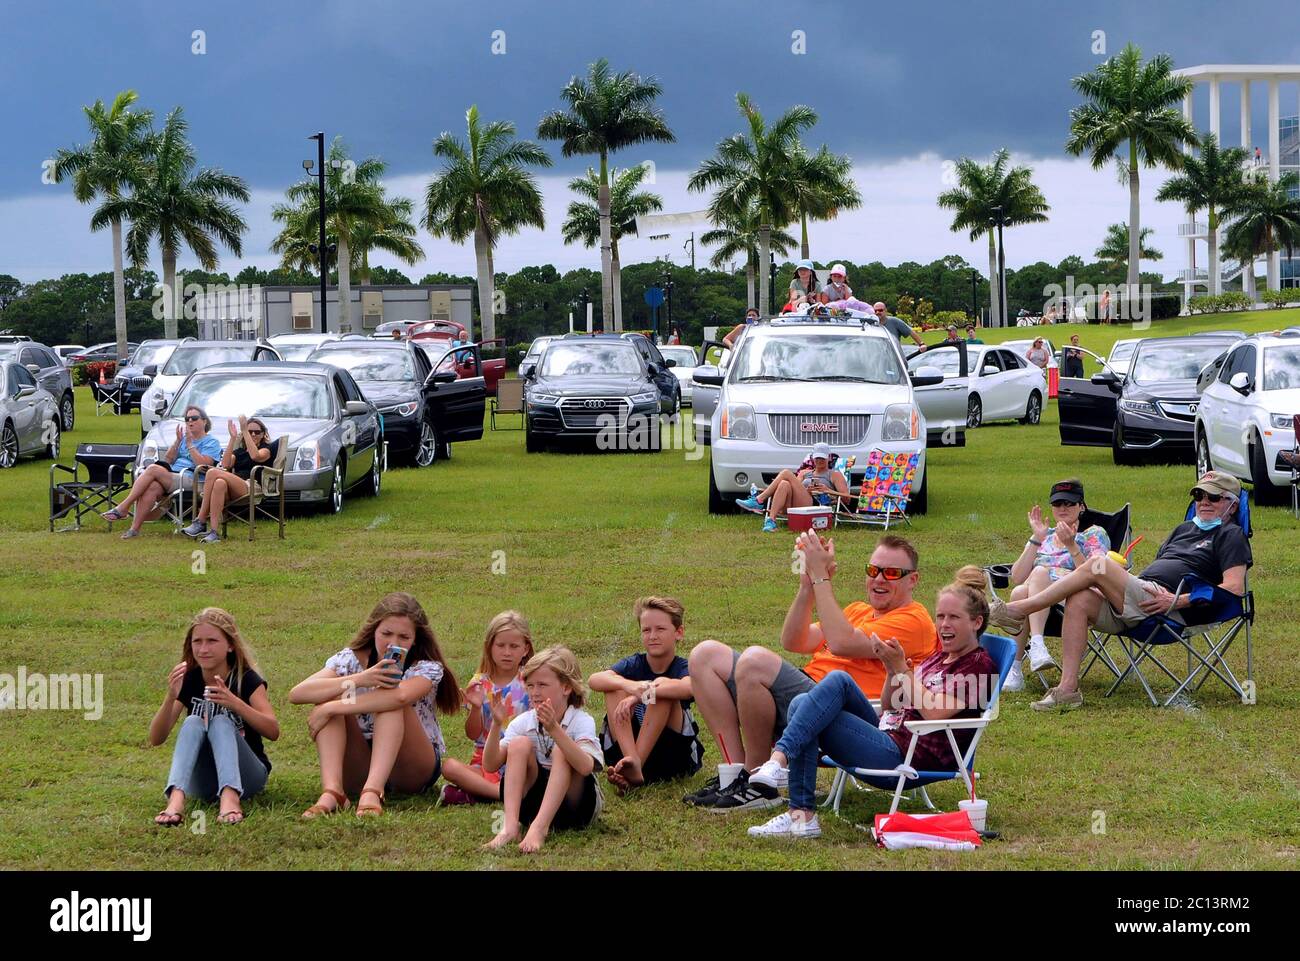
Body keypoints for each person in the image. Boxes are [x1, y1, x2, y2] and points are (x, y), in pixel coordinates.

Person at [684, 534, 937, 811]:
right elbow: (795, 641)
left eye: (891, 573)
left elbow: (842, 642)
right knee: (704, 655)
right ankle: (734, 776)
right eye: (872, 570)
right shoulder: (857, 611)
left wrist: (821, 578)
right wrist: (808, 588)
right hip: (810, 694)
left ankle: (757, 781)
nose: (879, 579)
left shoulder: (914, 620)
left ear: (912, 580)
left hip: (843, 712)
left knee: (755, 662)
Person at [745, 568, 997, 839]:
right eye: (940, 616)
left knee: (811, 701)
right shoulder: (938, 657)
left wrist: (903, 668)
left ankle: (783, 769)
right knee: (811, 696)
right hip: (889, 734)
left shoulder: (979, 666)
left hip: (907, 757)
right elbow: (890, 706)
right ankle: (797, 804)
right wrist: (892, 670)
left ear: (976, 622)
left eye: (954, 617)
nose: (944, 624)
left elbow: (936, 711)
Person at [1006, 471, 1251, 711]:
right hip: (1139, 598)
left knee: (1098, 565)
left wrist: (1177, 601)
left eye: (1214, 497)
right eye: (1199, 495)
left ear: (1231, 505)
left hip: (1169, 606)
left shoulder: (1231, 535)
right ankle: (1068, 689)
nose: (1204, 502)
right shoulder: (1182, 529)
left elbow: (1233, 587)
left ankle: (1021, 608)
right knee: (1079, 597)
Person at [290, 592, 461, 817]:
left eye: (404, 637)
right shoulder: (352, 659)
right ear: (373, 631)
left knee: (390, 699)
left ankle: (373, 791)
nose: (394, 643)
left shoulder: (425, 666)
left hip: (412, 764)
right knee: (329, 692)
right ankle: (333, 792)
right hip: (361, 758)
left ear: (416, 638)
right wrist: (360, 680)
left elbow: (399, 698)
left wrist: (332, 708)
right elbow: (298, 693)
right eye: (386, 634)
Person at [149, 608, 279, 826]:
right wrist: (171, 697)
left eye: (212, 641)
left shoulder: (245, 679)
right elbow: (156, 738)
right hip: (204, 781)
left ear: (230, 645)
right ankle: (176, 798)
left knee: (220, 722)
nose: (203, 649)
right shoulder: (190, 679)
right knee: (192, 721)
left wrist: (235, 704)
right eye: (197, 641)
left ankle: (230, 796)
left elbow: (273, 731)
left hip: (248, 777)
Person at [483, 646, 604, 853]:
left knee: (562, 752)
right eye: (530, 685)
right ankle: (510, 826)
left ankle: (539, 828)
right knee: (519, 744)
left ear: (566, 688)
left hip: (576, 807)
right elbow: (490, 764)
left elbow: (586, 767)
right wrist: (496, 725)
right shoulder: (523, 722)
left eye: (542, 685)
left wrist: (555, 730)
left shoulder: (581, 720)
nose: (534, 692)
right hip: (532, 806)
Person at [1002, 479, 1110, 691]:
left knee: (1038, 574)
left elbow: (1096, 574)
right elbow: (1016, 576)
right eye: (1057, 503)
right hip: (1038, 602)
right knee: (1018, 591)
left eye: (1069, 503)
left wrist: (1071, 545)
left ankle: (1033, 649)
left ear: (1081, 506)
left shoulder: (1093, 534)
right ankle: (1022, 663)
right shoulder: (1045, 535)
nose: (1062, 508)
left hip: (1072, 600)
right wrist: (1036, 538)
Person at [589, 596, 703, 793]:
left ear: (679, 632)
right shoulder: (635, 663)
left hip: (671, 756)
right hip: (626, 748)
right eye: (646, 630)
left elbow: (688, 688)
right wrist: (630, 686)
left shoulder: (682, 666)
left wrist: (639, 695)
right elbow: (594, 680)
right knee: (614, 687)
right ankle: (633, 764)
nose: (652, 636)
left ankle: (635, 767)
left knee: (663, 689)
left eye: (660, 629)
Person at [439, 610, 533, 805]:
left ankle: (475, 793)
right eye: (500, 645)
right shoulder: (479, 684)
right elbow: (473, 734)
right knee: (449, 767)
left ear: (525, 649)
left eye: (514, 646)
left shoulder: (531, 681)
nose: (507, 652)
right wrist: (475, 708)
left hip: (517, 755)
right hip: (485, 759)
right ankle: (501, 793)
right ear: (489, 647)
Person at [101, 405, 222, 539]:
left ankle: (124, 506)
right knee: (152, 487)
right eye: (187, 419)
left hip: (193, 479)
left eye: (194, 418)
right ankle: (134, 529)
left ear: (204, 421)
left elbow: (204, 465)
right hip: (173, 475)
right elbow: (169, 460)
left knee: (152, 469)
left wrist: (190, 445)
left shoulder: (211, 442)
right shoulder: (184, 439)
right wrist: (177, 441)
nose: (190, 421)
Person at [182, 416, 277, 544]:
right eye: (250, 432)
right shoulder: (239, 452)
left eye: (257, 432)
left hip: (253, 486)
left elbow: (255, 456)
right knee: (219, 483)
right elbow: (226, 464)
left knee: (212, 472)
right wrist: (232, 439)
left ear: (263, 434)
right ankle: (214, 532)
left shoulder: (266, 448)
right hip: (235, 486)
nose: (253, 434)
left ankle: (201, 520)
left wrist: (244, 430)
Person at [736, 442, 851, 532]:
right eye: (817, 458)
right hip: (795, 506)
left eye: (822, 458)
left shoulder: (835, 475)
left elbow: (847, 499)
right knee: (784, 483)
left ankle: (759, 500)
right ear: (812, 458)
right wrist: (806, 490)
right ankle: (771, 522)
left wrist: (827, 490)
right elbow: (794, 489)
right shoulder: (804, 473)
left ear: (829, 458)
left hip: (817, 506)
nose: (819, 461)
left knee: (786, 473)